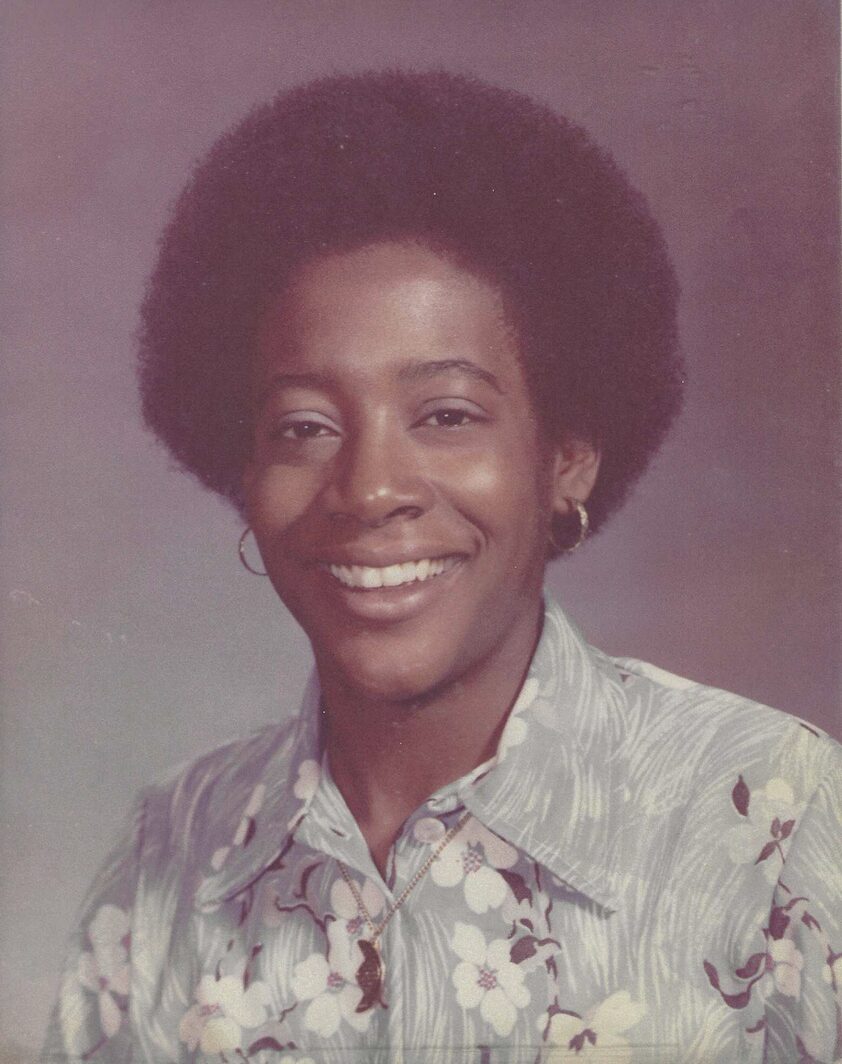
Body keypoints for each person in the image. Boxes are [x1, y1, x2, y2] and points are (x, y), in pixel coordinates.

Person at [44, 70, 840, 1064]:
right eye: (304, 426)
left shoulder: (776, 818)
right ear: (243, 470)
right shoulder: (170, 848)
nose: (370, 489)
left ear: (565, 456)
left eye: (446, 414)